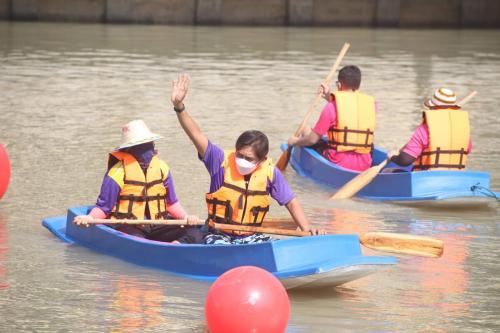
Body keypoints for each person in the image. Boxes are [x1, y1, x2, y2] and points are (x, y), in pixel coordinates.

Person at [170, 74, 322, 245]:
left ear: (262, 159)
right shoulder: (219, 160)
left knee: (277, 245)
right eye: (239, 155)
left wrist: (307, 231)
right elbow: (196, 134)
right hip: (218, 234)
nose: (241, 160)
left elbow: (292, 203)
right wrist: (179, 107)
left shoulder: (270, 173)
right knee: (219, 245)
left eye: (248, 158)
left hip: (251, 236)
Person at [73, 119, 201, 244]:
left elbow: (171, 203)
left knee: (194, 233)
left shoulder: (162, 168)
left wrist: (186, 218)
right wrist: (89, 218)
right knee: (138, 241)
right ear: (129, 149)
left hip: (158, 224)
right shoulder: (117, 172)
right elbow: (104, 207)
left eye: (149, 143)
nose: (149, 149)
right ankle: (154, 248)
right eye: (143, 145)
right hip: (129, 226)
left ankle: (175, 246)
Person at [287, 65, 376, 171]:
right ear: (358, 85)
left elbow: (312, 140)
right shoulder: (372, 105)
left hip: (338, 161)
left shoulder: (330, 107)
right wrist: (329, 96)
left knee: (305, 129)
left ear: (339, 85)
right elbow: (350, 110)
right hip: (364, 163)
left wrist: (294, 142)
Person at [388, 87, 472, 171]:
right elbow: (467, 150)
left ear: (432, 108)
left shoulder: (424, 129)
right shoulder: (462, 129)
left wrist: (393, 157)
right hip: (456, 177)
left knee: (388, 171)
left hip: (427, 179)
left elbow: (405, 161)